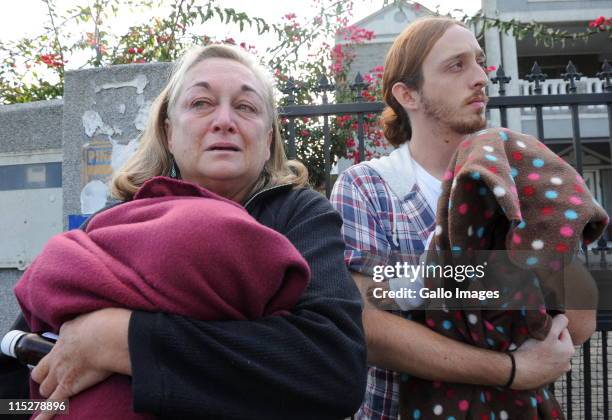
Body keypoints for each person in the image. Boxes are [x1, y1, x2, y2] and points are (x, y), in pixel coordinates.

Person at [0, 44, 367, 420]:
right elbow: (11, 381)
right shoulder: (115, 221)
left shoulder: (300, 217)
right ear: (169, 132)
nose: (225, 120)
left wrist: (122, 340)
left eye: (246, 107)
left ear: (269, 138)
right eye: (201, 103)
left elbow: (333, 370)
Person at [330, 17, 596, 419]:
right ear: (408, 94)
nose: (480, 78)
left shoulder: (515, 181)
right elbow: (370, 327)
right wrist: (512, 368)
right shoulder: (368, 187)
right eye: (456, 65)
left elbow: (579, 323)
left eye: (480, 61)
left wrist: (542, 213)